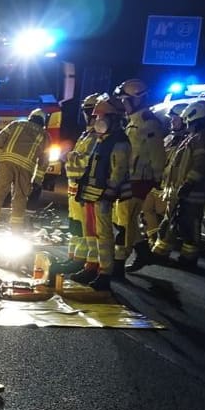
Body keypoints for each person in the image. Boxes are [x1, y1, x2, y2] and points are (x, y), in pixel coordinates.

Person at [148, 99, 205, 269]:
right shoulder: (196, 136)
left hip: (192, 192)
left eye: (189, 121)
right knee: (171, 221)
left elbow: (200, 163)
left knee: (189, 224)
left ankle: (188, 258)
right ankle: (160, 252)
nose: (187, 125)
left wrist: (189, 183)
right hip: (181, 190)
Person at [71, 97, 131, 290]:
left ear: (114, 118)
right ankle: (91, 266)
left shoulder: (120, 141)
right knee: (90, 232)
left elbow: (118, 171)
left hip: (103, 195)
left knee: (103, 235)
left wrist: (110, 191)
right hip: (90, 193)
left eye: (102, 117)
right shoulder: (101, 139)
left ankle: (105, 272)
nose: (98, 120)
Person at [111, 79, 164, 279]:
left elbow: (157, 153)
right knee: (124, 219)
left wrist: (157, 178)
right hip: (128, 178)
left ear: (136, 100)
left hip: (139, 180)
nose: (123, 104)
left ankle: (117, 264)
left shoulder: (148, 122)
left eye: (125, 100)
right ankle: (143, 253)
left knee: (125, 221)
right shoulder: (133, 120)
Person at [50, 93, 102, 279]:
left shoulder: (97, 137)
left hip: (85, 189)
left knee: (90, 230)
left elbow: (86, 163)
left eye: (90, 112)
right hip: (75, 189)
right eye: (87, 112)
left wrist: (68, 156)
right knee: (76, 226)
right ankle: (76, 259)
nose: (88, 116)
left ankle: (91, 264)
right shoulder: (87, 134)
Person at [130, 109, 187, 271]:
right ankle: (152, 241)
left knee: (165, 217)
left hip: (170, 185)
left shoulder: (185, 141)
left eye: (175, 119)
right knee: (146, 211)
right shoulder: (169, 138)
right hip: (158, 182)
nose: (172, 122)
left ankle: (161, 251)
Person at [0, 108, 49, 232]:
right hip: (26, 168)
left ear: (31, 117)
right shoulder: (44, 135)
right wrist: (37, 180)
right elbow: (44, 160)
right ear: (43, 122)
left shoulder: (16, 124)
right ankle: (16, 230)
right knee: (20, 198)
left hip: (6, 163)